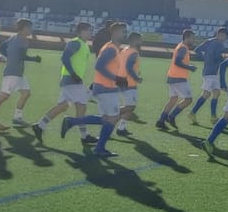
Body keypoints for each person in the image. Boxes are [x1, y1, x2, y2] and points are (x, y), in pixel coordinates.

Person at [62, 21, 129, 158]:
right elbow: (99, 66)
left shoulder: (113, 48)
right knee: (113, 117)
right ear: (115, 33)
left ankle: (73, 123)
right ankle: (98, 147)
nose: (125, 34)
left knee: (107, 118)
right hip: (105, 87)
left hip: (105, 87)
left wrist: (117, 79)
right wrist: (116, 78)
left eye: (125, 32)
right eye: (123, 31)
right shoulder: (110, 48)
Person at [32, 22, 94, 142]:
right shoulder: (75, 42)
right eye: (89, 30)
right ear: (81, 31)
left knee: (63, 106)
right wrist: (73, 74)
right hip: (72, 79)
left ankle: (40, 126)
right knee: (81, 107)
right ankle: (84, 136)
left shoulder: (83, 44)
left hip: (71, 80)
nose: (91, 32)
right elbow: (64, 57)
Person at [0, 18, 41, 126]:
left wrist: (8, 56)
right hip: (13, 73)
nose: (31, 30)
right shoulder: (23, 41)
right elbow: (22, 56)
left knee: (26, 93)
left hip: (17, 73)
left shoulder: (13, 38)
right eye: (30, 28)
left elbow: (1, 48)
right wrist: (34, 59)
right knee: (4, 96)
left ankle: (17, 117)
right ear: (24, 28)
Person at [188, 27, 228, 124]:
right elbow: (217, 58)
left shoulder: (209, 41)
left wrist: (205, 58)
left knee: (216, 93)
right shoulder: (220, 44)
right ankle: (193, 113)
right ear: (220, 35)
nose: (225, 39)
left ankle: (213, 117)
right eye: (225, 37)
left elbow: (197, 49)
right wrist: (223, 59)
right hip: (212, 73)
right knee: (206, 94)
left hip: (208, 71)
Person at [157, 29, 197, 131]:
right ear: (187, 38)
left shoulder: (181, 46)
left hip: (172, 76)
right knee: (188, 99)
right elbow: (177, 62)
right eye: (192, 38)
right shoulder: (183, 48)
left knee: (173, 99)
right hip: (179, 78)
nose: (194, 41)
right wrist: (190, 67)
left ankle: (161, 121)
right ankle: (172, 116)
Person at [115, 32, 144, 136]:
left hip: (120, 80)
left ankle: (121, 128)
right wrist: (136, 77)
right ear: (135, 40)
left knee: (130, 106)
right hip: (129, 82)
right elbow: (128, 67)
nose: (141, 41)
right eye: (140, 39)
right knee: (131, 106)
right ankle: (111, 116)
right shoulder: (133, 52)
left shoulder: (124, 50)